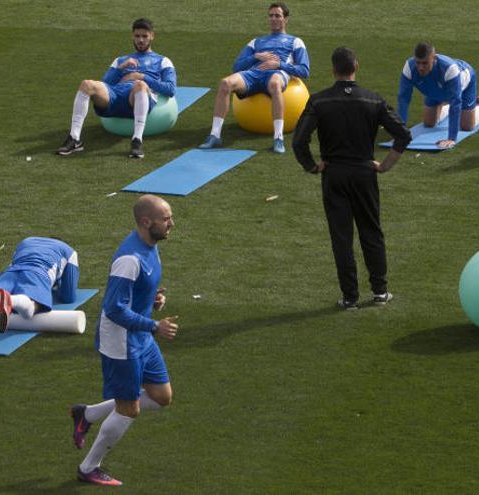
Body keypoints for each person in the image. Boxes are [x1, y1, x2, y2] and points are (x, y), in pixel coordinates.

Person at [70, 194, 178, 487]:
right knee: (129, 408)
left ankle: (87, 414)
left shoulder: (149, 246)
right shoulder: (130, 259)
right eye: (166, 219)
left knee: (161, 396)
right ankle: (88, 467)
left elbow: (134, 294)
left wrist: (153, 300)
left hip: (140, 334)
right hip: (122, 341)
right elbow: (114, 309)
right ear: (146, 222)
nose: (172, 223)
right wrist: (155, 325)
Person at [292, 47, 412, 309]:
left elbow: (299, 141)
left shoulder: (319, 101)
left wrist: (312, 167)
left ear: (333, 69)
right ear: (356, 66)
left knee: (341, 238)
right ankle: (380, 292)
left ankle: (350, 297)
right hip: (364, 174)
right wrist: (385, 166)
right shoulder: (373, 100)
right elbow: (403, 134)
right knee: (372, 232)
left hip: (334, 175)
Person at [56, 18, 177, 159]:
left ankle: (137, 141)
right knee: (87, 84)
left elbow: (170, 89)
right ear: (132, 36)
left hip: (137, 96)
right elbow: (105, 84)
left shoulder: (163, 60)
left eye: (144, 36)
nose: (141, 40)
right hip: (116, 96)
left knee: (139, 84)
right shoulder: (121, 59)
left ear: (152, 36)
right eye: (137, 36)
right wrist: (120, 69)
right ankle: (74, 138)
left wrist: (141, 76)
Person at [198, 2, 309, 154]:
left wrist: (279, 64)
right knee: (225, 83)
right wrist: (256, 56)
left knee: (275, 84)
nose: (273, 19)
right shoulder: (257, 42)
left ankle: (278, 138)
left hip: (276, 74)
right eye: (271, 16)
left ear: (286, 19)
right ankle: (215, 135)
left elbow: (304, 70)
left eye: (278, 16)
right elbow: (237, 66)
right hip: (254, 74)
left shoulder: (295, 41)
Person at [397, 42, 479, 149]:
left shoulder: (450, 69)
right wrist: (401, 132)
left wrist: (451, 138)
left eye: (425, 63)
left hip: (462, 86)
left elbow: (455, 102)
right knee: (428, 123)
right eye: (418, 63)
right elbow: (403, 99)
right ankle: (443, 104)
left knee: (466, 126)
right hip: (434, 91)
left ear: (434, 58)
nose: (421, 67)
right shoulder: (409, 67)